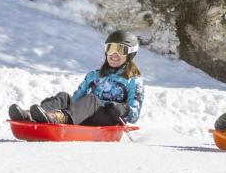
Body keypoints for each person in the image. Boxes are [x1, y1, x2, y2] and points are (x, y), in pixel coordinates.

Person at [10, 30, 146, 127]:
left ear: (130, 53)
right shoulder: (94, 75)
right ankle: (33, 115)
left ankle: (57, 118)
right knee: (64, 97)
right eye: (110, 48)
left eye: (120, 50)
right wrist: (59, 104)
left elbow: (134, 116)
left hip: (109, 120)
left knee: (91, 99)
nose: (114, 54)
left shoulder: (133, 81)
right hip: (83, 114)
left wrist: (123, 109)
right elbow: (75, 101)